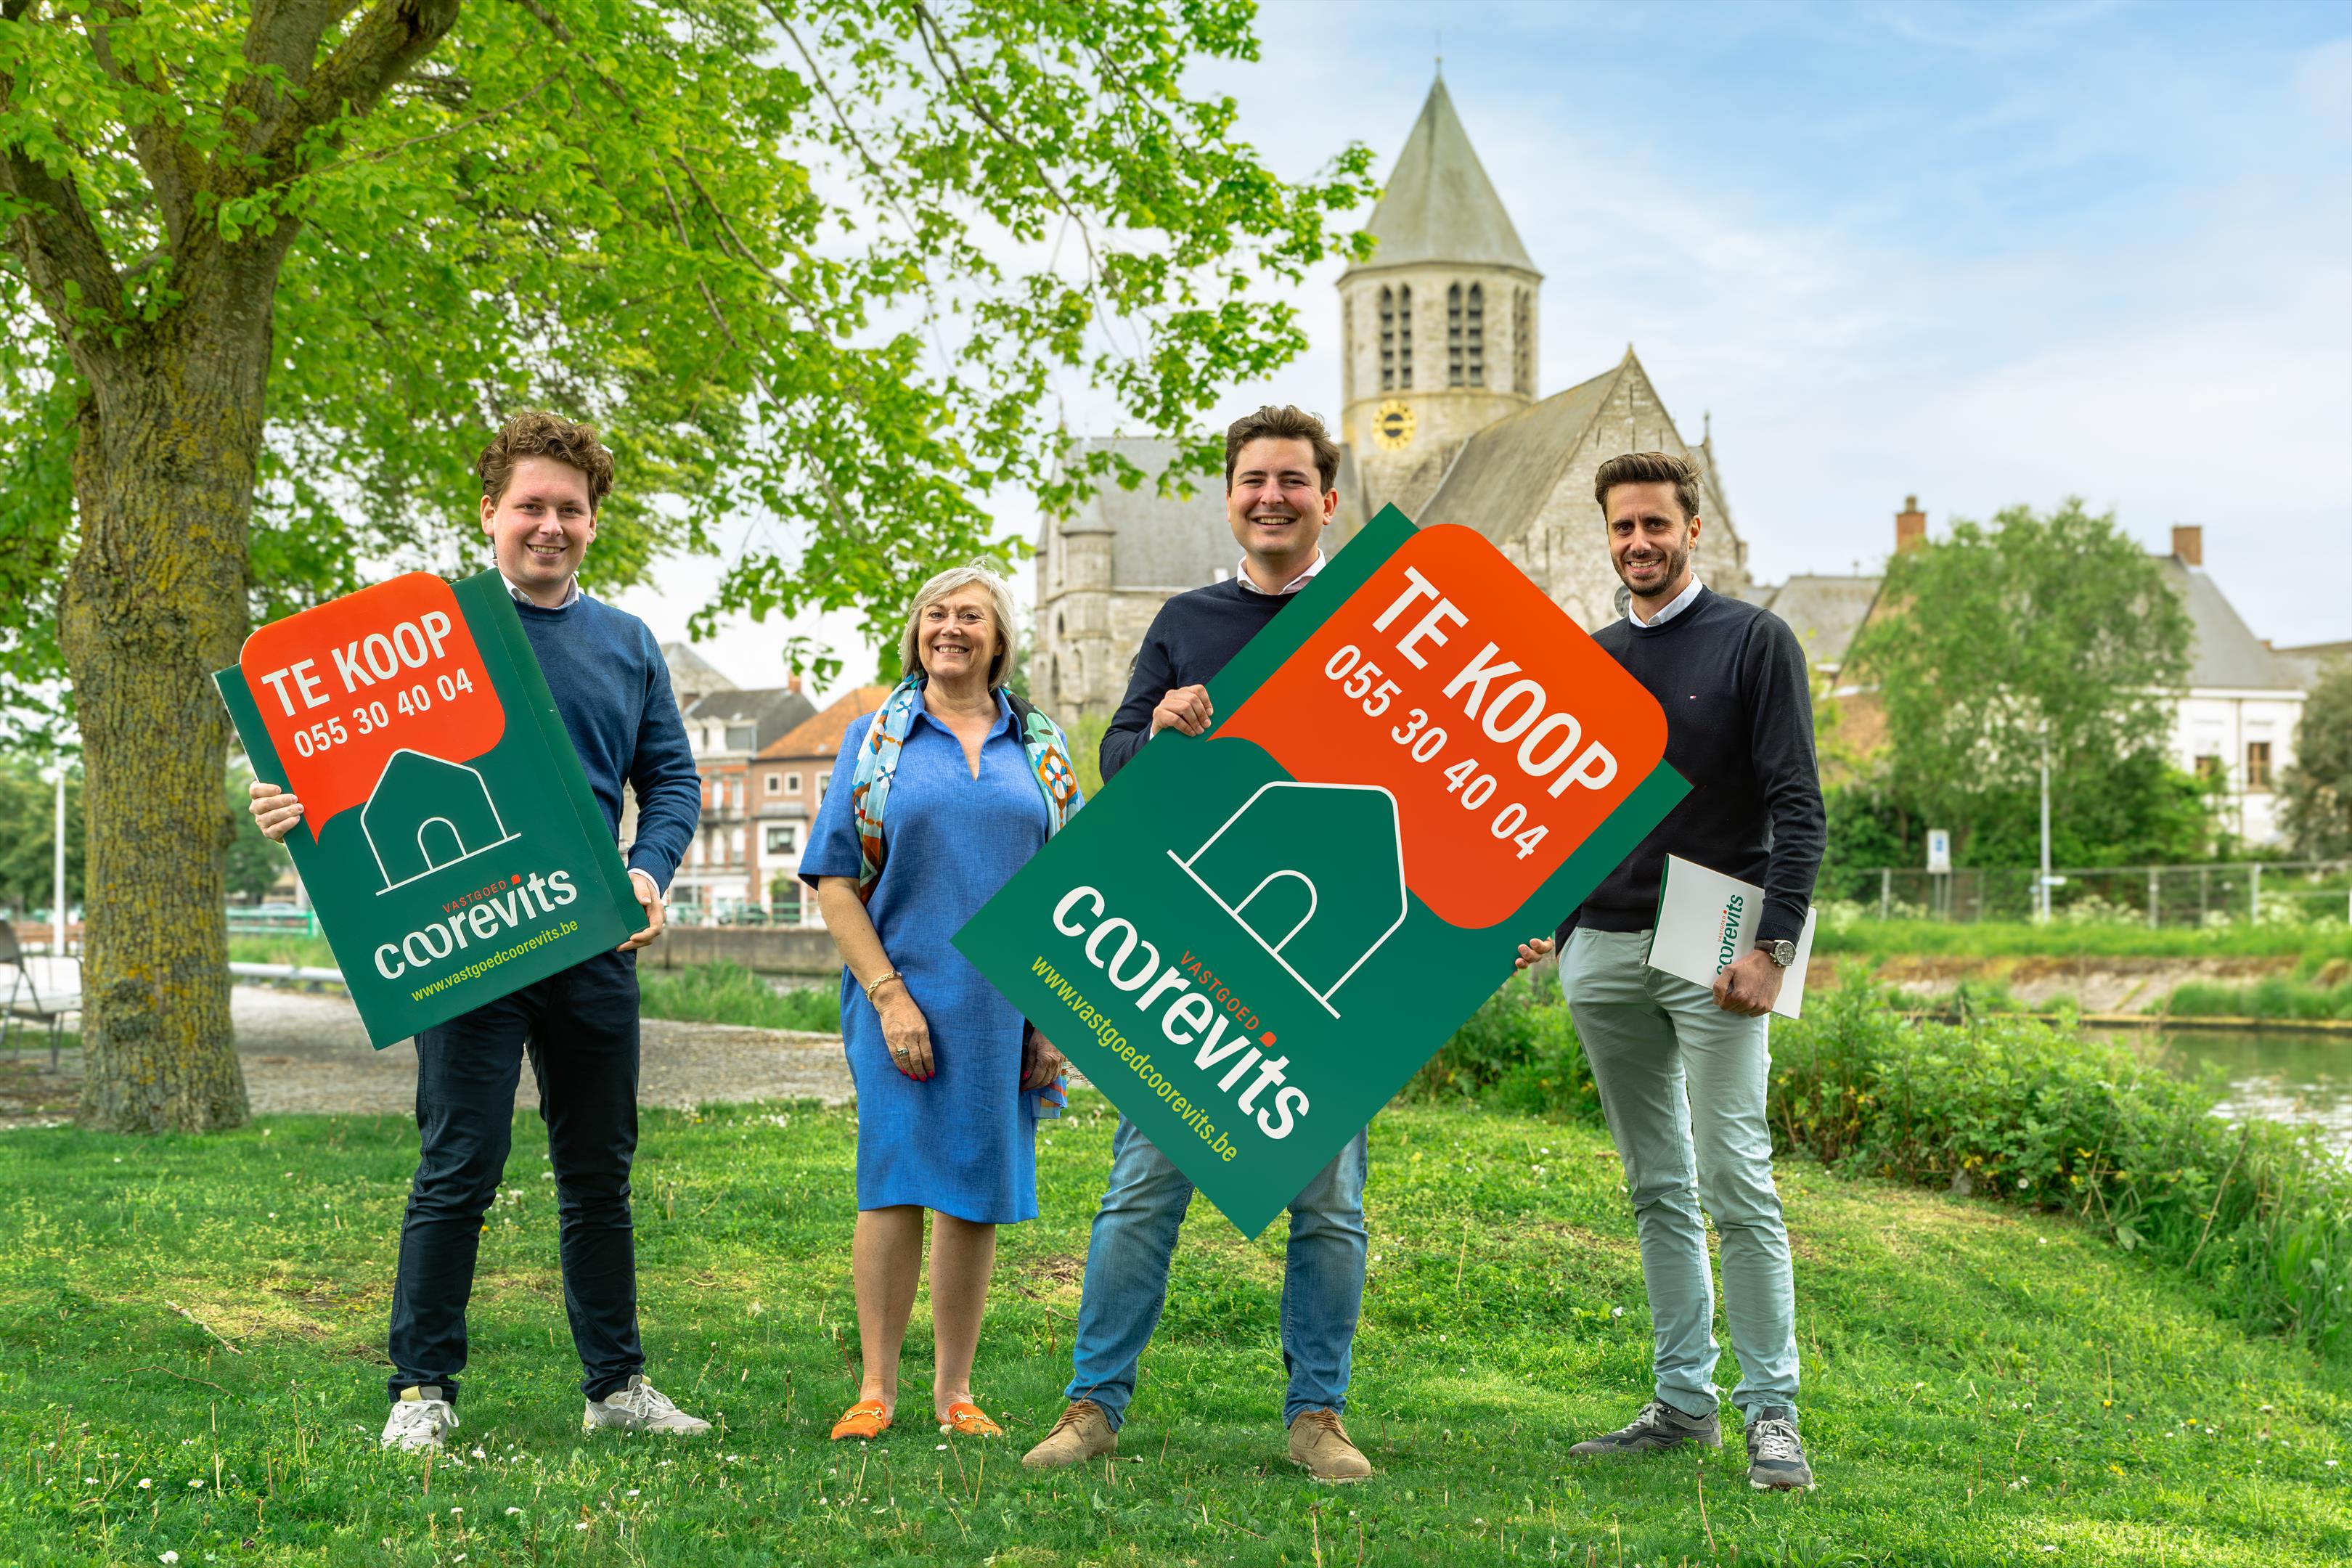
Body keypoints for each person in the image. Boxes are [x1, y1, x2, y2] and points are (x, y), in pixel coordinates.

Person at [249, 412, 707, 1453]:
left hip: (590, 940)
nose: (551, 526)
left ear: (594, 524)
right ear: (490, 513)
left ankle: (616, 1385)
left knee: (600, 1169)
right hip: (467, 943)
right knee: (461, 1161)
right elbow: (330, 767)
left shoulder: (629, 643)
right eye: (532, 507)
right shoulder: (421, 642)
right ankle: (421, 1390)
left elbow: (670, 781)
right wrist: (289, 807)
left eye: (571, 511)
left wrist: (647, 870)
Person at [1022, 405, 1374, 1485]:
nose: (1272, 497)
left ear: (1328, 497)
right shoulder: (1185, 616)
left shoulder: (1374, 618)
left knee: (1329, 1204)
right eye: (1253, 481)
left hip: (1329, 957)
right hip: (1190, 951)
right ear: (1229, 496)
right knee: (1141, 1188)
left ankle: (1318, 1415)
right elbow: (1115, 756)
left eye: (1293, 481)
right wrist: (1156, 727)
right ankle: (1094, 1405)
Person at [1511, 450, 1826, 1492]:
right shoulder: (1590, 659)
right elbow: (1571, 811)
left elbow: (1797, 807)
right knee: (1655, 1185)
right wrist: (1550, 919)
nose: (1638, 543)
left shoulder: (1753, 642)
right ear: (1607, 537)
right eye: (1622, 529)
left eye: (1655, 524)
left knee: (1736, 1178)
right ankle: (1683, 1402)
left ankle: (1771, 1411)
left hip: (1714, 930)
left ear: (1692, 528)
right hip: (1600, 943)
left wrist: (1774, 946)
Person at [802, 565, 1083, 1442]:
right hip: (900, 994)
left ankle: (954, 1393)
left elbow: (1071, 887)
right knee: (892, 1185)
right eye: (935, 613)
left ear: (1000, 640)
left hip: (1006, 1005)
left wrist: (1052, 1017)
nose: (949, 627)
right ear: (915, 631)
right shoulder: (876, 740)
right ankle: (876, 1390)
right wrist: (889, 996)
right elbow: (835, 880)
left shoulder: (1041, 745)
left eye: (971, 615)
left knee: (975, 1191)